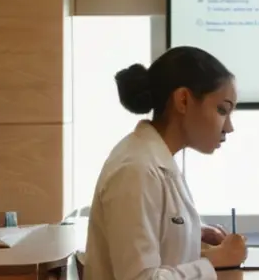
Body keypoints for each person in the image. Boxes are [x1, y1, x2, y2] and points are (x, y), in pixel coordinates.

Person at [83, 46, 248, 280]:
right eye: (222, 109)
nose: (229, 127)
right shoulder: (136, 169)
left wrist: (190, 235)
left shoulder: (155, 158)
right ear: (183, 100)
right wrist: (215, 260)